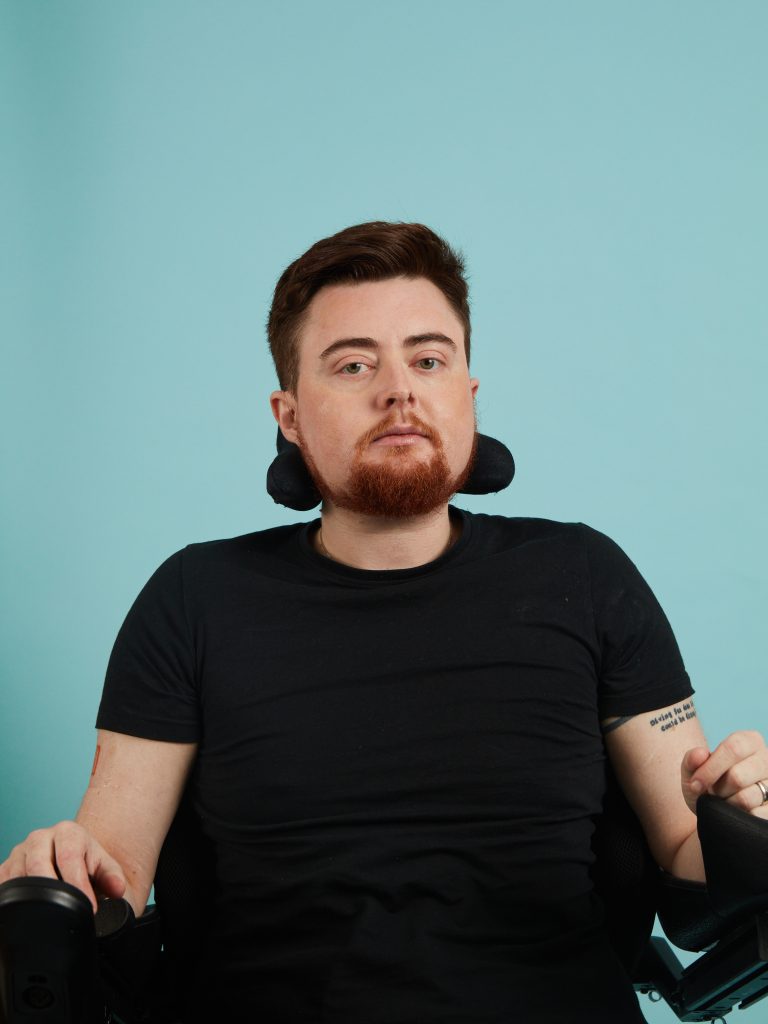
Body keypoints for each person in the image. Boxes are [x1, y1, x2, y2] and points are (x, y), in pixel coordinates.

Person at [2, 221, 767, 1023]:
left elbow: (688, 849)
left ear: (467, 392)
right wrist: (65, 872)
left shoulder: (586, 575)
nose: (399, 389)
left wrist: (740, 812)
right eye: (354, 364)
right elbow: (111, 873)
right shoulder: (193, 598)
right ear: (289, 414)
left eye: (429, 359)